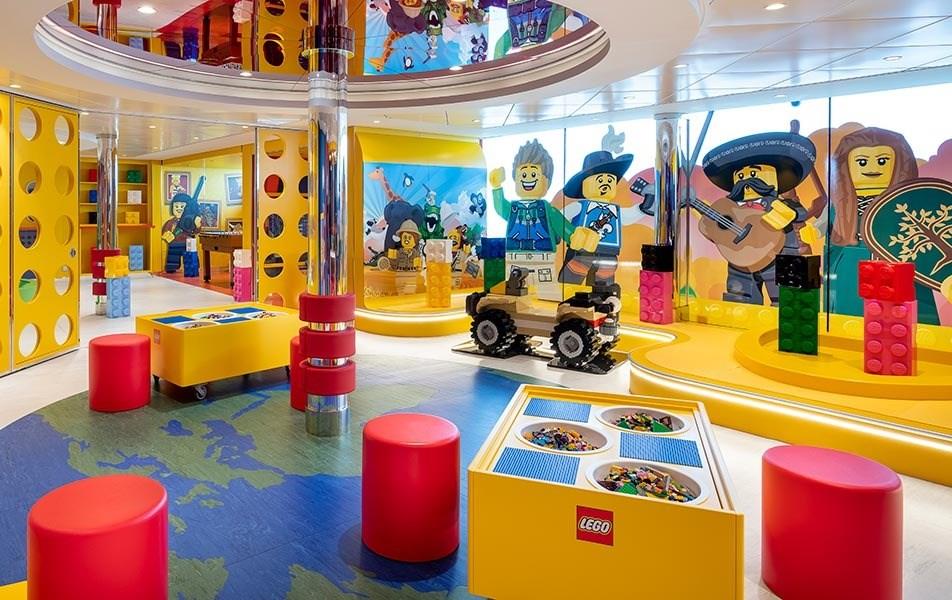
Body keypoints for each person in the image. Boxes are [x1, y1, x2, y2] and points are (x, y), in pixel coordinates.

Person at [815, 127, 934, 320]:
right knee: (850, 320)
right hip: (850, 272)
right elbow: (822, 235)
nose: (872, 169)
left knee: (899, 324)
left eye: (882, 161)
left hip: (897, 272)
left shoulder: (911, 205)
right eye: (862, 162)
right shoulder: (840, 206)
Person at [701, 132, 816, 304]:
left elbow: (799, 212)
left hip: (783, 258)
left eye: (754, 174)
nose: (746, 182)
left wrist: (786, 212)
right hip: (741, 261)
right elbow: (712, 229)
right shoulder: (731, 210)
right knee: (740, 302)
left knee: (791, 304)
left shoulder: (781, 204)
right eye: (740, 177)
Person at [558, 150, 632, 295]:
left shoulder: (615, 210)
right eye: (600, 179)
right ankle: (568, 296)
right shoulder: (580, 206)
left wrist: (644, 207)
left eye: (610, 180)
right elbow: (559, 218)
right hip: (581, 251)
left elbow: (629, 216)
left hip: (608, 253)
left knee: (604, 282)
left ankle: (603, 298)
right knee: (572, 278)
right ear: (584, 184)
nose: (605, 183)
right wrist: (569, 234)